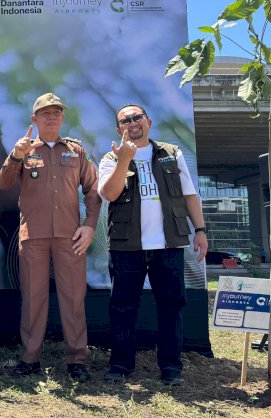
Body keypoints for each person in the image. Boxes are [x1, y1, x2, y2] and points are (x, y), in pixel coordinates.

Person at [98, 104, 208, 386]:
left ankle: (171, 367)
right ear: (118, 129)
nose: (132, 123)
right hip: (126, 247)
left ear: (148, 121)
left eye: (137, 118)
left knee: (171, 305)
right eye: (125, 121)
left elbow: (190, 195)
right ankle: (121, 365)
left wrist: (200, 230)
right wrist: (124, 159)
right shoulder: (111, 157)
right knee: (123, 306)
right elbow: (109, 194)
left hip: (168, 245)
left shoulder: (172, 153)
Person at [0, 92, 101, 382]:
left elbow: (92, 190)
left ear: (62, 117)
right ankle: (29, 358)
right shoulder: (25, 149)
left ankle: (77, 360)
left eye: (56, 112)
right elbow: (3, 184)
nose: (52, 116)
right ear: (35, 119)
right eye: (45, 113)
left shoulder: (76, 152)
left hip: (71, 237)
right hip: (34, 236)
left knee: (73, 297)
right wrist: (16, 155)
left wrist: (90, 225)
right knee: (33, 298)